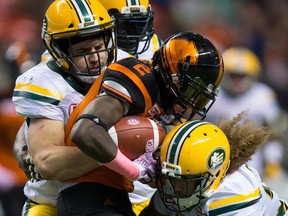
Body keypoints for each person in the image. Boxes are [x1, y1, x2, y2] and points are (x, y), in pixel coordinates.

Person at [56, 31, 224, 215]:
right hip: (84, 187)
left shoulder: (168, 103)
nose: (192, 102)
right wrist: (135, 170)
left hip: (116, 191)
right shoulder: (138, 78)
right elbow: (86, 132)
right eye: (191, 92)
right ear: (172, 74)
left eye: (200, 98)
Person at [12, 0, 132, 215]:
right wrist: (113, 147)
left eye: (99, 47)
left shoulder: (127, 65)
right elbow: (48, 163)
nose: (95, 57)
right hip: (51, 200)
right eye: (83, 51)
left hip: (123, 198)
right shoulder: (44, 82)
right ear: (58, 51)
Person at [139, 112, 288, 215]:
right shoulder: (174, 185)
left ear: (213, 176)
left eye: (184, 181)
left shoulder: (232, 194)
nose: (174, 187)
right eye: (171, 179)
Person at [97, 0, 163, 214]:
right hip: (94, 170)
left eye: (140, 24)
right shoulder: (91, 51)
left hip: (145, 168)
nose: (134, 34)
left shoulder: (156, 48)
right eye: (126, 25)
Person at [98, 0, 163, 59]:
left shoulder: (155, 46)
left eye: (140, 23)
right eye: (125, 24)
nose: (134, 32)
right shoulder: (97, 52)